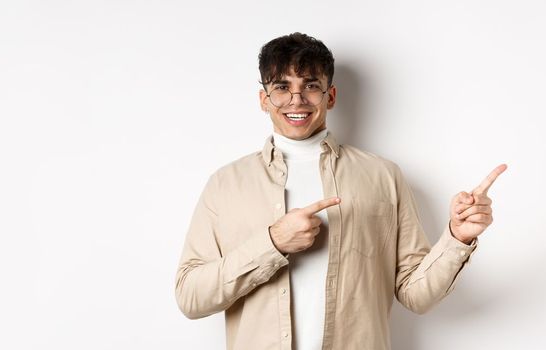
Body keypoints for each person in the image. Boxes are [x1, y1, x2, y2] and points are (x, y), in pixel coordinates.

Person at [173, 32, 506, 350]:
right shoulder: (225, 184)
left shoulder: (382, 176)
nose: (297, 99)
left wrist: (456, 238)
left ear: (330, 96)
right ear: (264, 99)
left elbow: (415, 295)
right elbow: (190, 296)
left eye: (311, 86)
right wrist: (272, 243)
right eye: (281, 87)